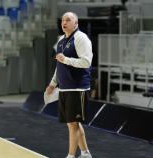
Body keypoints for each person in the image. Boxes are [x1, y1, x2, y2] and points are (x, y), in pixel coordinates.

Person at [46, 12, 93, 158]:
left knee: (73, 124)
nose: (64, 22)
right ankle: (85, 153)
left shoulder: (81, 38)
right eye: (62, 20)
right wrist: (53, 83)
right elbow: (59, 64)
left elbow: (86, 62)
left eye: (68, 20)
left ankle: (71, 155)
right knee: (72, 124)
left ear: (76, 23)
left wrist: (66, 59)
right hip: (65, 87)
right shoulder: (61, 40)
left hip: (77, 87)